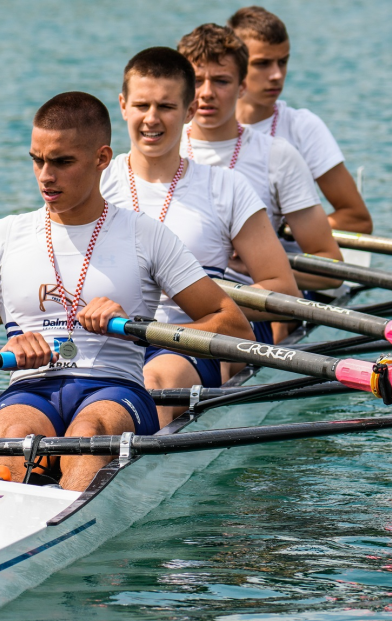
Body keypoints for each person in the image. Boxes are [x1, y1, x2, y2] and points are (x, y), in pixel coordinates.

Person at [0, 92, 253, 490]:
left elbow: (234, 326)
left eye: (62, 162)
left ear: (102, 158)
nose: (45, 176)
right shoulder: (4, 236)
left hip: (115, 388)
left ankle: (69, 510)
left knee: (88, 435)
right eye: (37, 160)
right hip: (30, 388)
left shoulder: (145, 235)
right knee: (14, 436)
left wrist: (136, 328)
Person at [100, 47, 299, 425]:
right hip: (107, 336)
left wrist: (197, 299)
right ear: (123, 106)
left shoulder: (226, 187)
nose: (151, 119)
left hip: (185, 343)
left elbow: (283, 293)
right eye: (142, 105)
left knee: (150, 384)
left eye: (166, 107)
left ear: (189, 110)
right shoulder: (96, 183)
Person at [178, 23, 343, 342]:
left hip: (245, 310)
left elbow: (330, 267)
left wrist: (261, 266)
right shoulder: (160, 151)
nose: (207, 93)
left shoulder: (277, 156)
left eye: (221, 81)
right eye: (197, 81)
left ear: (242, 86)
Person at [228, 5, 372, 234]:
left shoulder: (303, 127)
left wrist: (287, 229)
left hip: (288, 255)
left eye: (283, 62)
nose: (277, 75)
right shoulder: (194, 130)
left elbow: (357, 220)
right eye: (263, 63)